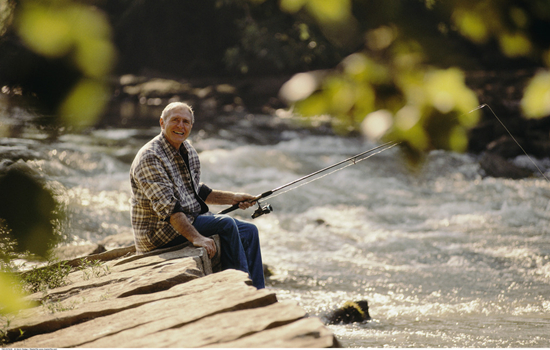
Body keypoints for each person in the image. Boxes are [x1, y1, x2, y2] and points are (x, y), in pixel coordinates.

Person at [129, 102, 265, 289]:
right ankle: (239, 288)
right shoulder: (150, 157)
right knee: (226, 224)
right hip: (158, 233)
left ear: (191, 126)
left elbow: (195, 190)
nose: (180, 126)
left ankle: (258, 290)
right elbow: (169, 209)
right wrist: (197, 238)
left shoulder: (188, 150)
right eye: (175, 120)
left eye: (185, 122)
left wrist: (234, 197)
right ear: (162, 122)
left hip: (186, 219)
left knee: (250, 231)